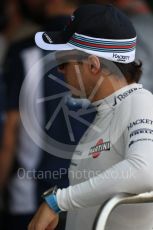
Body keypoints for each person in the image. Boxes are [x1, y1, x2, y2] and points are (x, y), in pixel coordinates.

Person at [29, 4, 153, 230]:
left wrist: (58, 202)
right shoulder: (109, 111)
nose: (59, 70)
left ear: (93, 65)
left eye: (63, 61)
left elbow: (145, 170)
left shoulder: (140, 102)